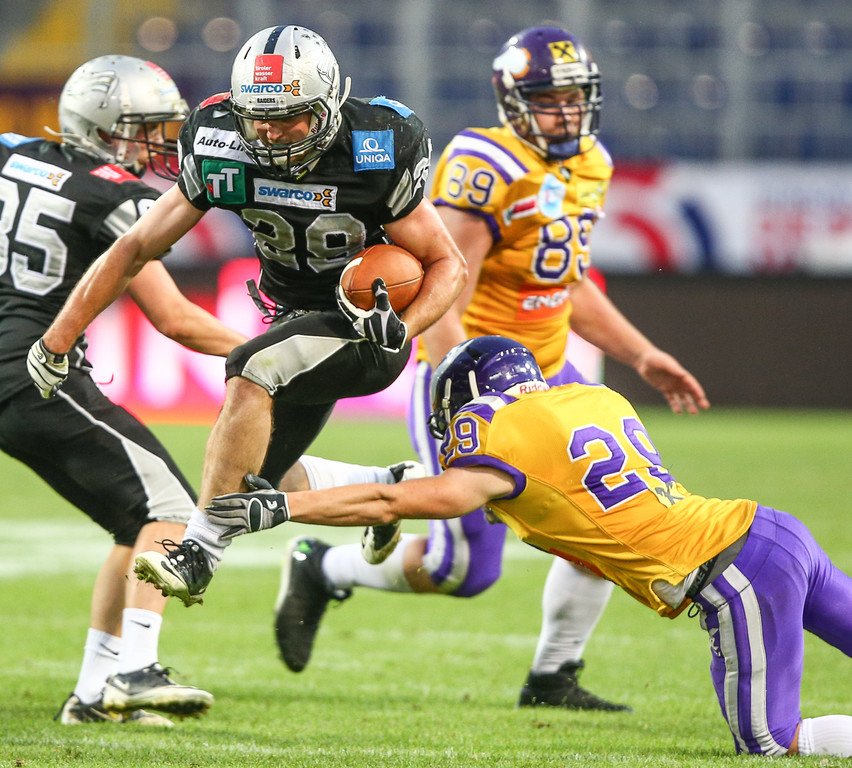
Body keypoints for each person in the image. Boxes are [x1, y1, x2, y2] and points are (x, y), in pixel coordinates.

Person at [269, 24, 708, 710]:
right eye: (550, 99)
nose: (566, 112)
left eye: (574, 97)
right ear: (514, 101)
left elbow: (565, 282)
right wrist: (458, 385)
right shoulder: (487, 164)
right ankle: (326, 568)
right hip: (476, 377)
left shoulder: (591, 163)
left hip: (552, 375)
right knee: (463, 569)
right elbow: (445, 281)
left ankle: (554, 675)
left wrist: (642, 354)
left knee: (613, 514)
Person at [204, 335, 852, 758]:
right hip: (770, 530)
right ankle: (553, 671)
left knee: (769, 740)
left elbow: (400, 500)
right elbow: (545, 501)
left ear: (470, 397)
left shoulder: (497, 430)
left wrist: (284, 505)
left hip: (736, 574)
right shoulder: (593, 398)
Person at [27, 26, 467, 610]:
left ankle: (198, 552)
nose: (270, 133)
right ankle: (388, 488)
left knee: (251, 367)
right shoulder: (220, 141)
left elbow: (448, 263)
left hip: (364, 326)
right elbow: (134, 247)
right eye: (258, 119)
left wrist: (403, 328)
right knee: (254, 478)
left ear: (328, 105)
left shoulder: (376, 145)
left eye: (288, 118)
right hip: (292, 320)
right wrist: (58, 338)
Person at [1, 55, 247, 724]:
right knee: (173, 510)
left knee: (133, 521)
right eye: (143, 129)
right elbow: (175, 319)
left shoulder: (15, 154)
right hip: (36, 374)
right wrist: (268, 354)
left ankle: (92, 694)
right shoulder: (110, 195)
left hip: (14, 371)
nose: (154, 144)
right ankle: (135, 670)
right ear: (102, 127)